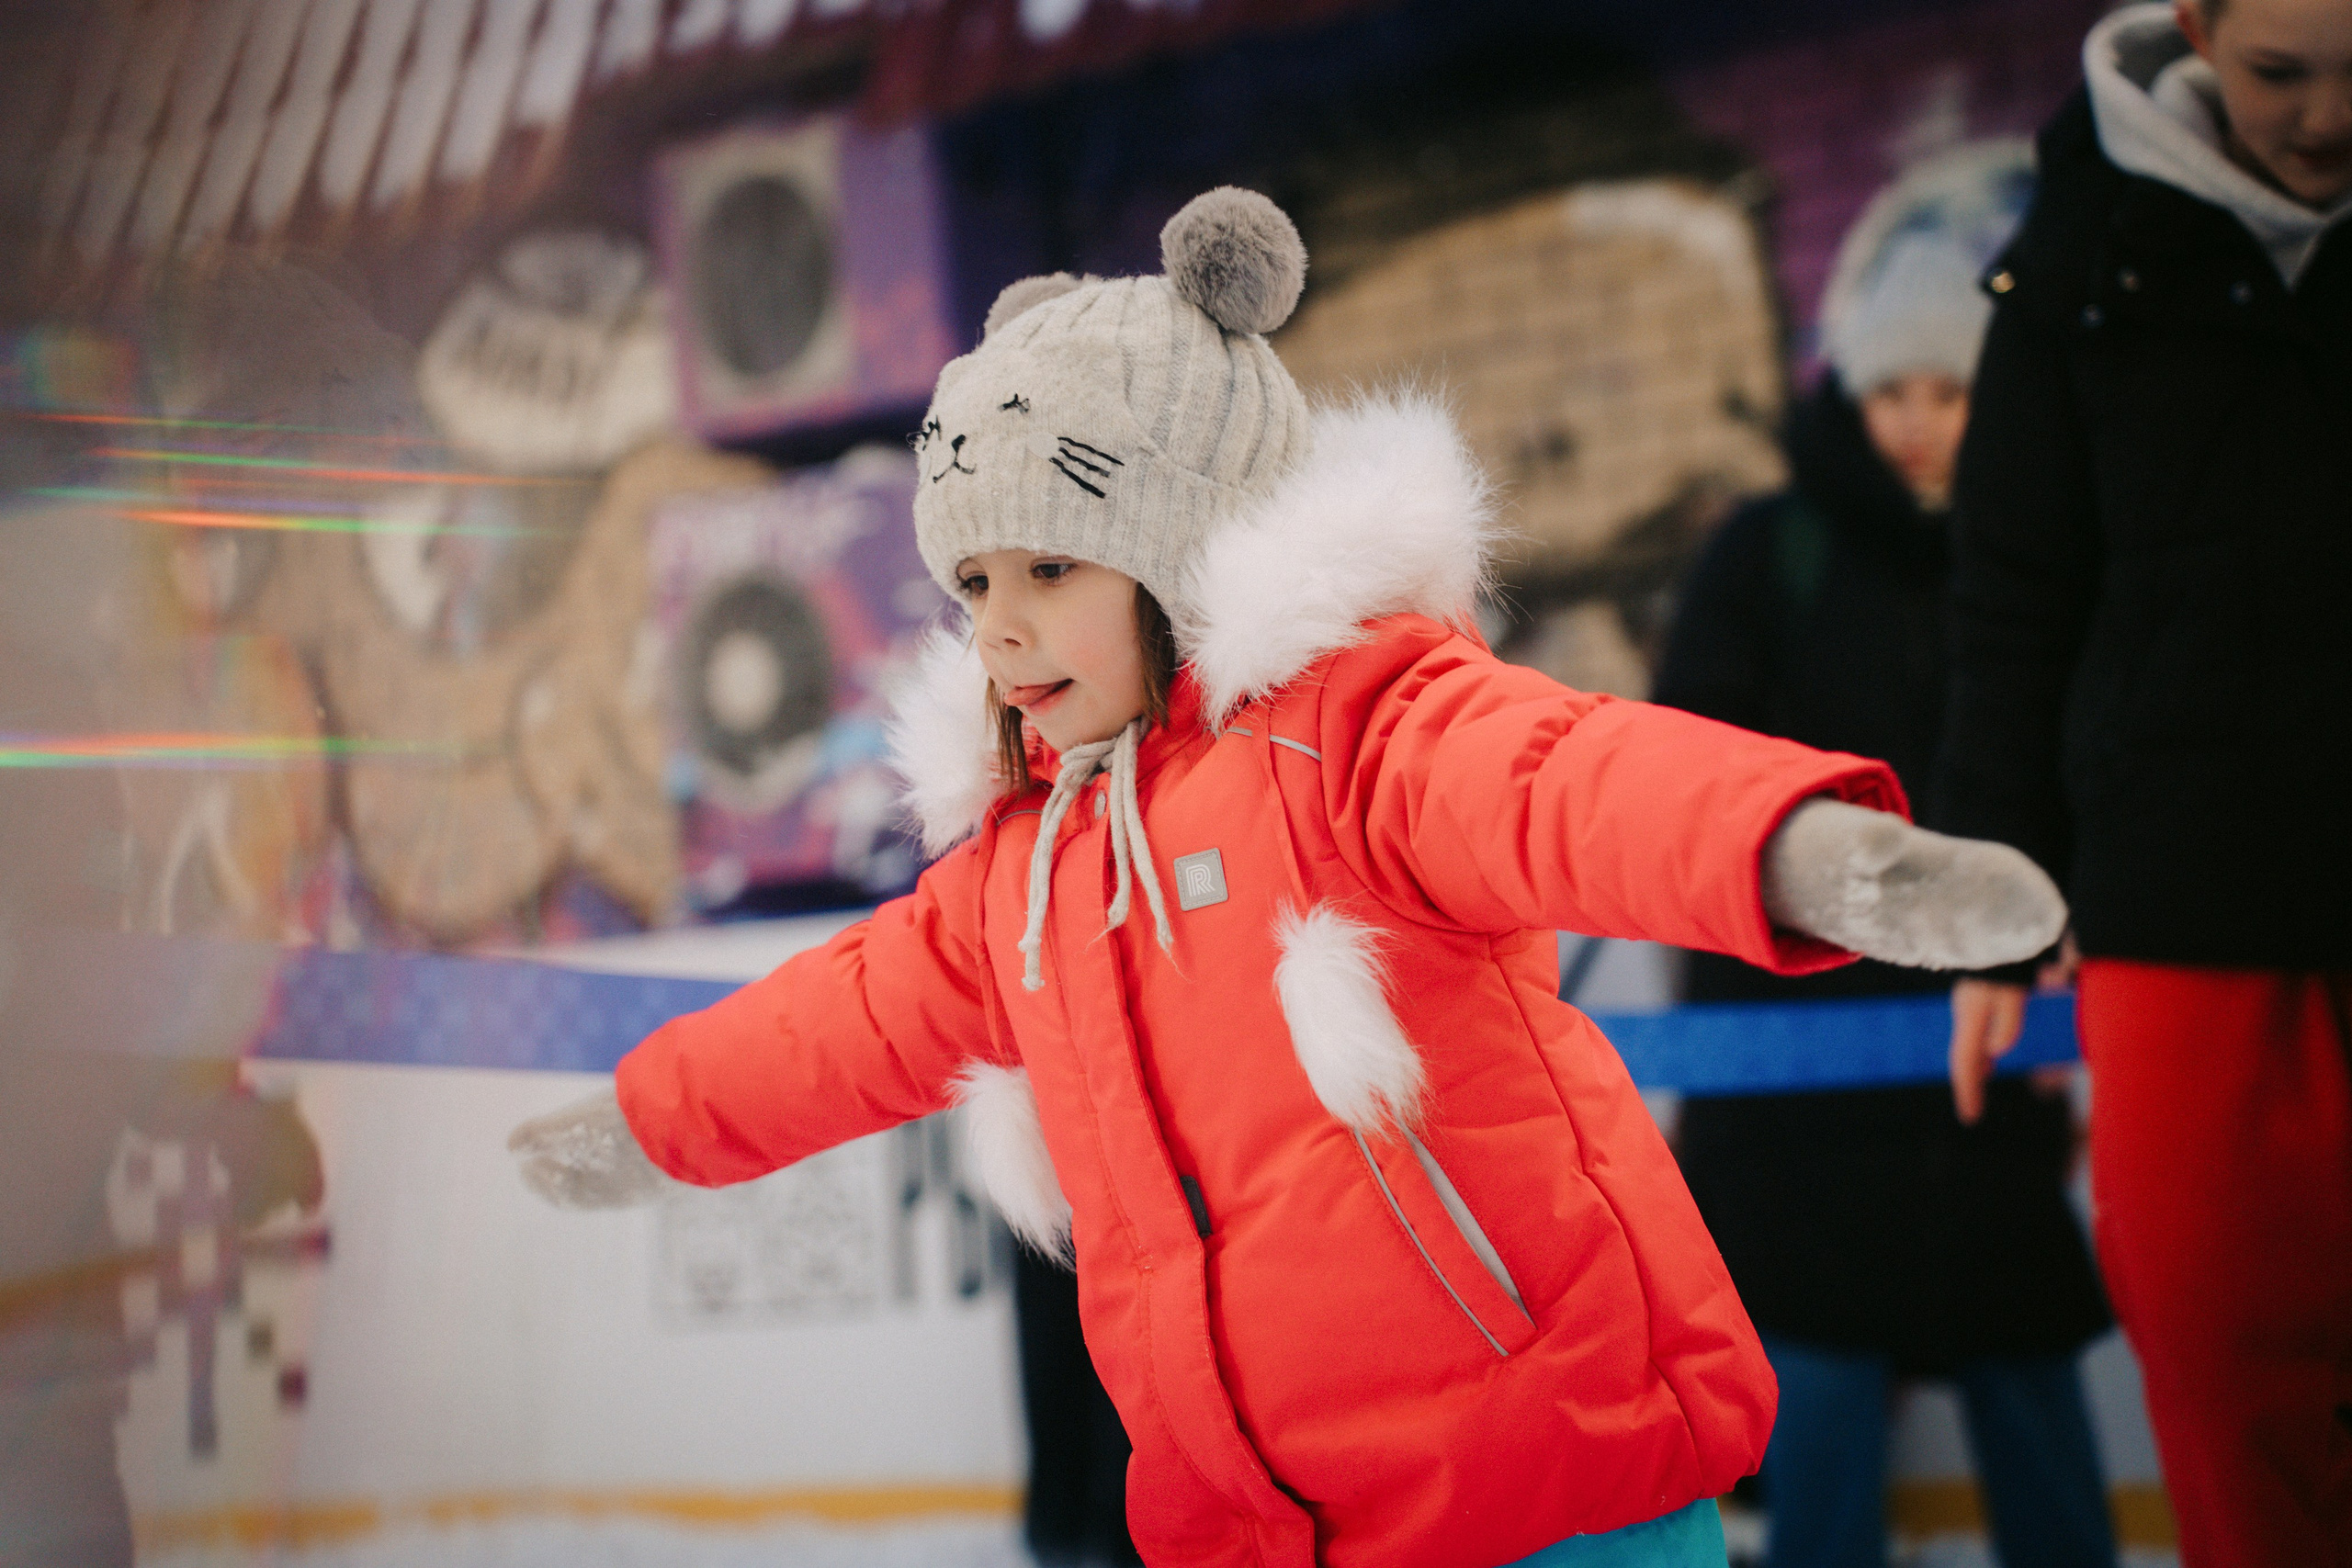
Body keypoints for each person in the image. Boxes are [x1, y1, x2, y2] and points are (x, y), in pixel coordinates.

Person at [512, 188, 2065, 1568]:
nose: (998, 627)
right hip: (1260, 1532)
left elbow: (1571, 782)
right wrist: (646, 1120)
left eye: (1052, 568)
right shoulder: (1019, 871)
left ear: (1182, 548)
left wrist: (1811, 853)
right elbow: (835, 1025)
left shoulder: (1356, 733)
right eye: (974, 580)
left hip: (1542, 1496)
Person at [1654, 148, 2117, 1568]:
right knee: (1826, 1473)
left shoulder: (2031, 560)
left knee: (2044, 1442)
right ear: (1849, 393)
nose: (1918, 425)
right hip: (1798, 1105)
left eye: (1951, 391)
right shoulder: (1762, 558)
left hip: (1978, 1088)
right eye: (1892, 391)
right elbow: (1686, 797)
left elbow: (2081, 765)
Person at [1936, 3, 2352, 1562]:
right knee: (2227, 1357)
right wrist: (1991, 903)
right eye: (2279, 73)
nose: (2322, 120)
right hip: (2184, 891)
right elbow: (2013, 591)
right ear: (2197, 28)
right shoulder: (2079, 263)